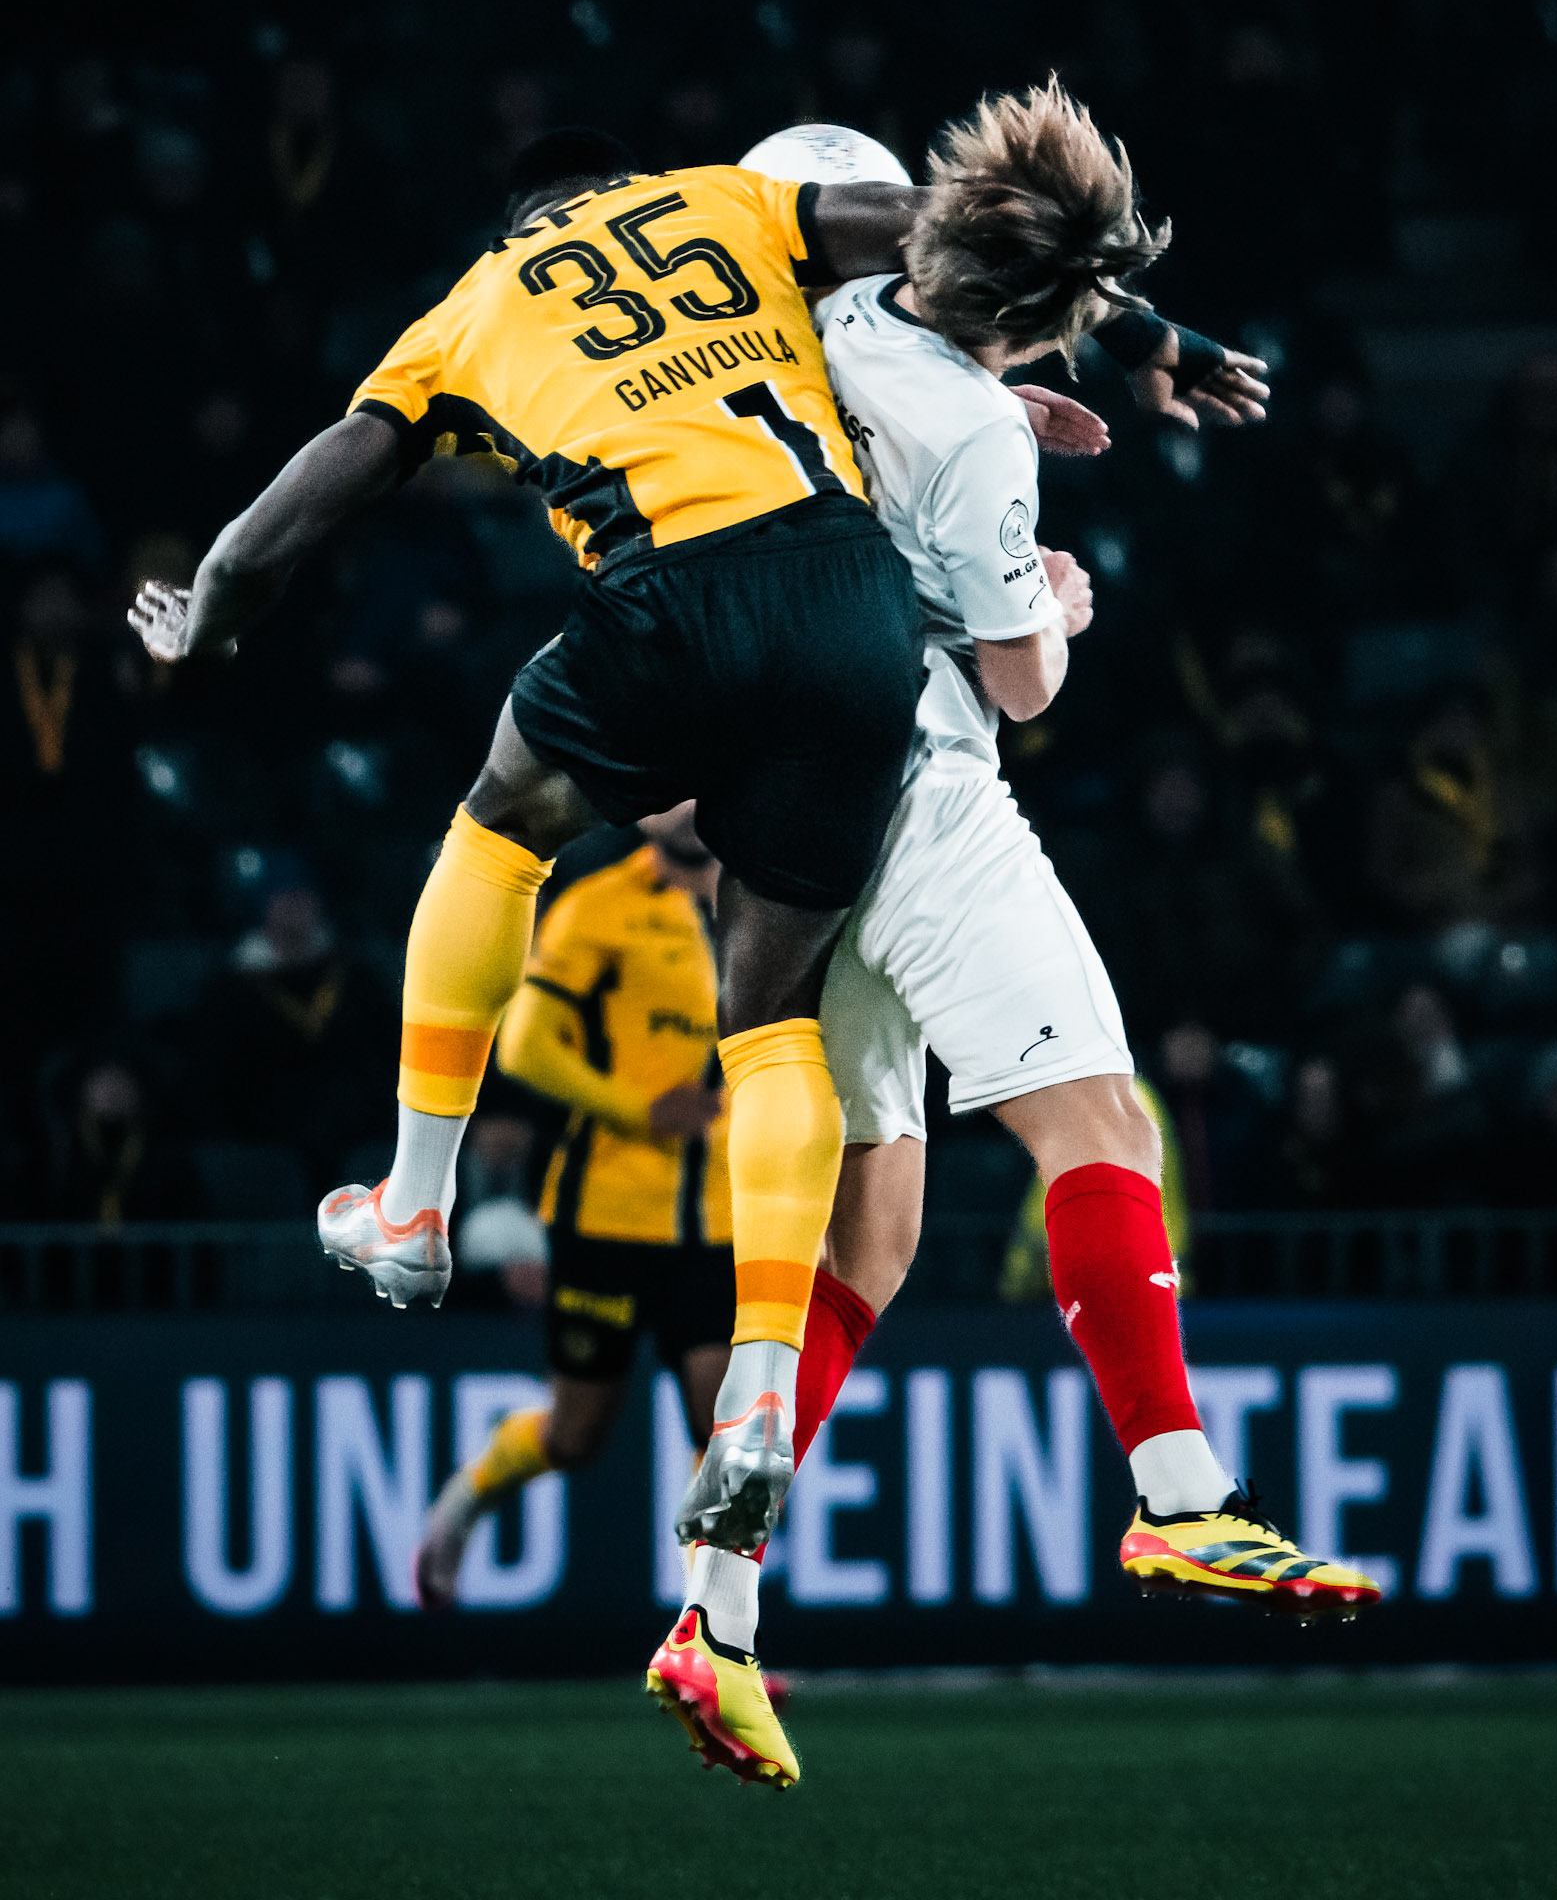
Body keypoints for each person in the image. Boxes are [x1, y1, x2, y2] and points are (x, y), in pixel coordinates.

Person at [129, 109, 1219, 1576]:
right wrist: (1128, 325)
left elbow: (326, 477)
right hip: (853, 628)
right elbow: (949, 234)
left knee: (502, 821)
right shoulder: (730, 208)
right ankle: (762, 1400)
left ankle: (413, 1199)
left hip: (666, 605)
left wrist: (209, 604)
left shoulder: (473, 304)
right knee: (774, 1023)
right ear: (622, 188)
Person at [646, 103, 1374, 1789]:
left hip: (774, 817)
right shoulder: (981, 434)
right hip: (913, 797)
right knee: (1102, 1125)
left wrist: (1056, 378)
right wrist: (1051, 589)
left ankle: (714, 1608)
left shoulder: (802, 319)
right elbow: (1018, 685)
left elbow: (952, 307)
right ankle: (1181, 1500)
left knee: (869, 1233)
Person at [413, 802, 734, 1608]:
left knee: (725, 1431)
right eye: (671, 789)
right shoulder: (598, 906)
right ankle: (469, 1496)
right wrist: (636, 1107)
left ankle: (717, 1635)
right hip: (607, 1213)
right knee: (576, 1435)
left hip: (726, 1218)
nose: (687, 804)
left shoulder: (772, 901)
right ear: (646, 806)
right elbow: (525, 1046)